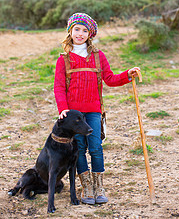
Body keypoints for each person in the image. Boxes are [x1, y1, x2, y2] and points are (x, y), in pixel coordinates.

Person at [54, 13, 140, 205]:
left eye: (85, 31)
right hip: (73, 115)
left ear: (89, 35)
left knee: (96, 147)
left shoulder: (98, 56)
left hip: (93, 111)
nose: (80, 33)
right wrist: (63, 108)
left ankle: (99, 186)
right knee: (79, 148)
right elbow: (59, 87)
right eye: (77, 29)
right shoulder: (64, 59)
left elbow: (110, 79)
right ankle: (86, 187)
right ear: (70, 31)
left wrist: (127, 75)